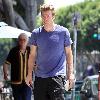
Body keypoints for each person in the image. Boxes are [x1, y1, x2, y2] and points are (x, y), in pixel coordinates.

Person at [26, 4, 74, 100]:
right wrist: (29, 74)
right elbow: (32, 55)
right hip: (40, 78)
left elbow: (69, 54)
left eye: (48, 15)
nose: (45, 18)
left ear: (53, 16)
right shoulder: (36, 33)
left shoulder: (63, 32)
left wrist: (70, 73)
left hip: (57, 76)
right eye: (43, 15)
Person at [3, 33, 32, 100]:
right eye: (20, 40)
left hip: (27, 82)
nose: (22, 41)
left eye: (24, 40)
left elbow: (35, 65)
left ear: (27, 41)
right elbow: (6, 63)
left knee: (27, 98)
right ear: (18, 41)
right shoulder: (13, 51)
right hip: (16, 82)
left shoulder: (30, 51)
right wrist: (5, 73)